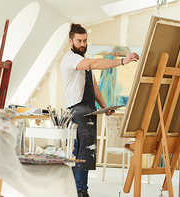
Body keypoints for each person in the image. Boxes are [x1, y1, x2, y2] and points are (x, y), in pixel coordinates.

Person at [60, 23, 139, 197]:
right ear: (70, 41)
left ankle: (77, 189)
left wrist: (103, 106)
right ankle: (80, 190)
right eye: (79, 41)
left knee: (87, 150)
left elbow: (93, 84)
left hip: (89, 109)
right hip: (77, 110)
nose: (83, 44)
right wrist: (122, 61)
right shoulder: (70, 59)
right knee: (82, 150)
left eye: (85, 40)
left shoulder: (83, 59)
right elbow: (95, 63)